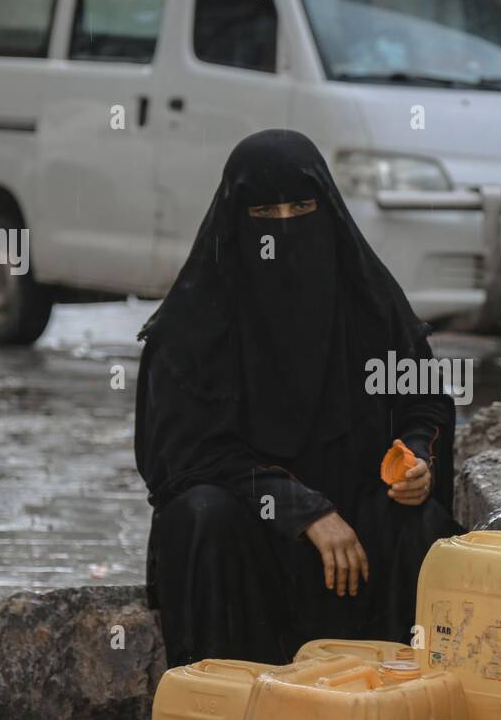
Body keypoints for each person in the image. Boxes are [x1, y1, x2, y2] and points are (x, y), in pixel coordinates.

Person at [134, 129, 462, 668]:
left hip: (356, 523)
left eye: (302, 209)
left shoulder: (369, 307)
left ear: (327, 209)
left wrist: (416, 459)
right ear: (236, 221)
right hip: (249, 529)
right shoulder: (193, 329)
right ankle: (226, 698)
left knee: (419, 525)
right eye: (265, 214)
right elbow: (185, 460)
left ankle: (393, 694)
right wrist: (303, 510)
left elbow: (422, 404)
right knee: (201, 514)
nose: (285, 228)